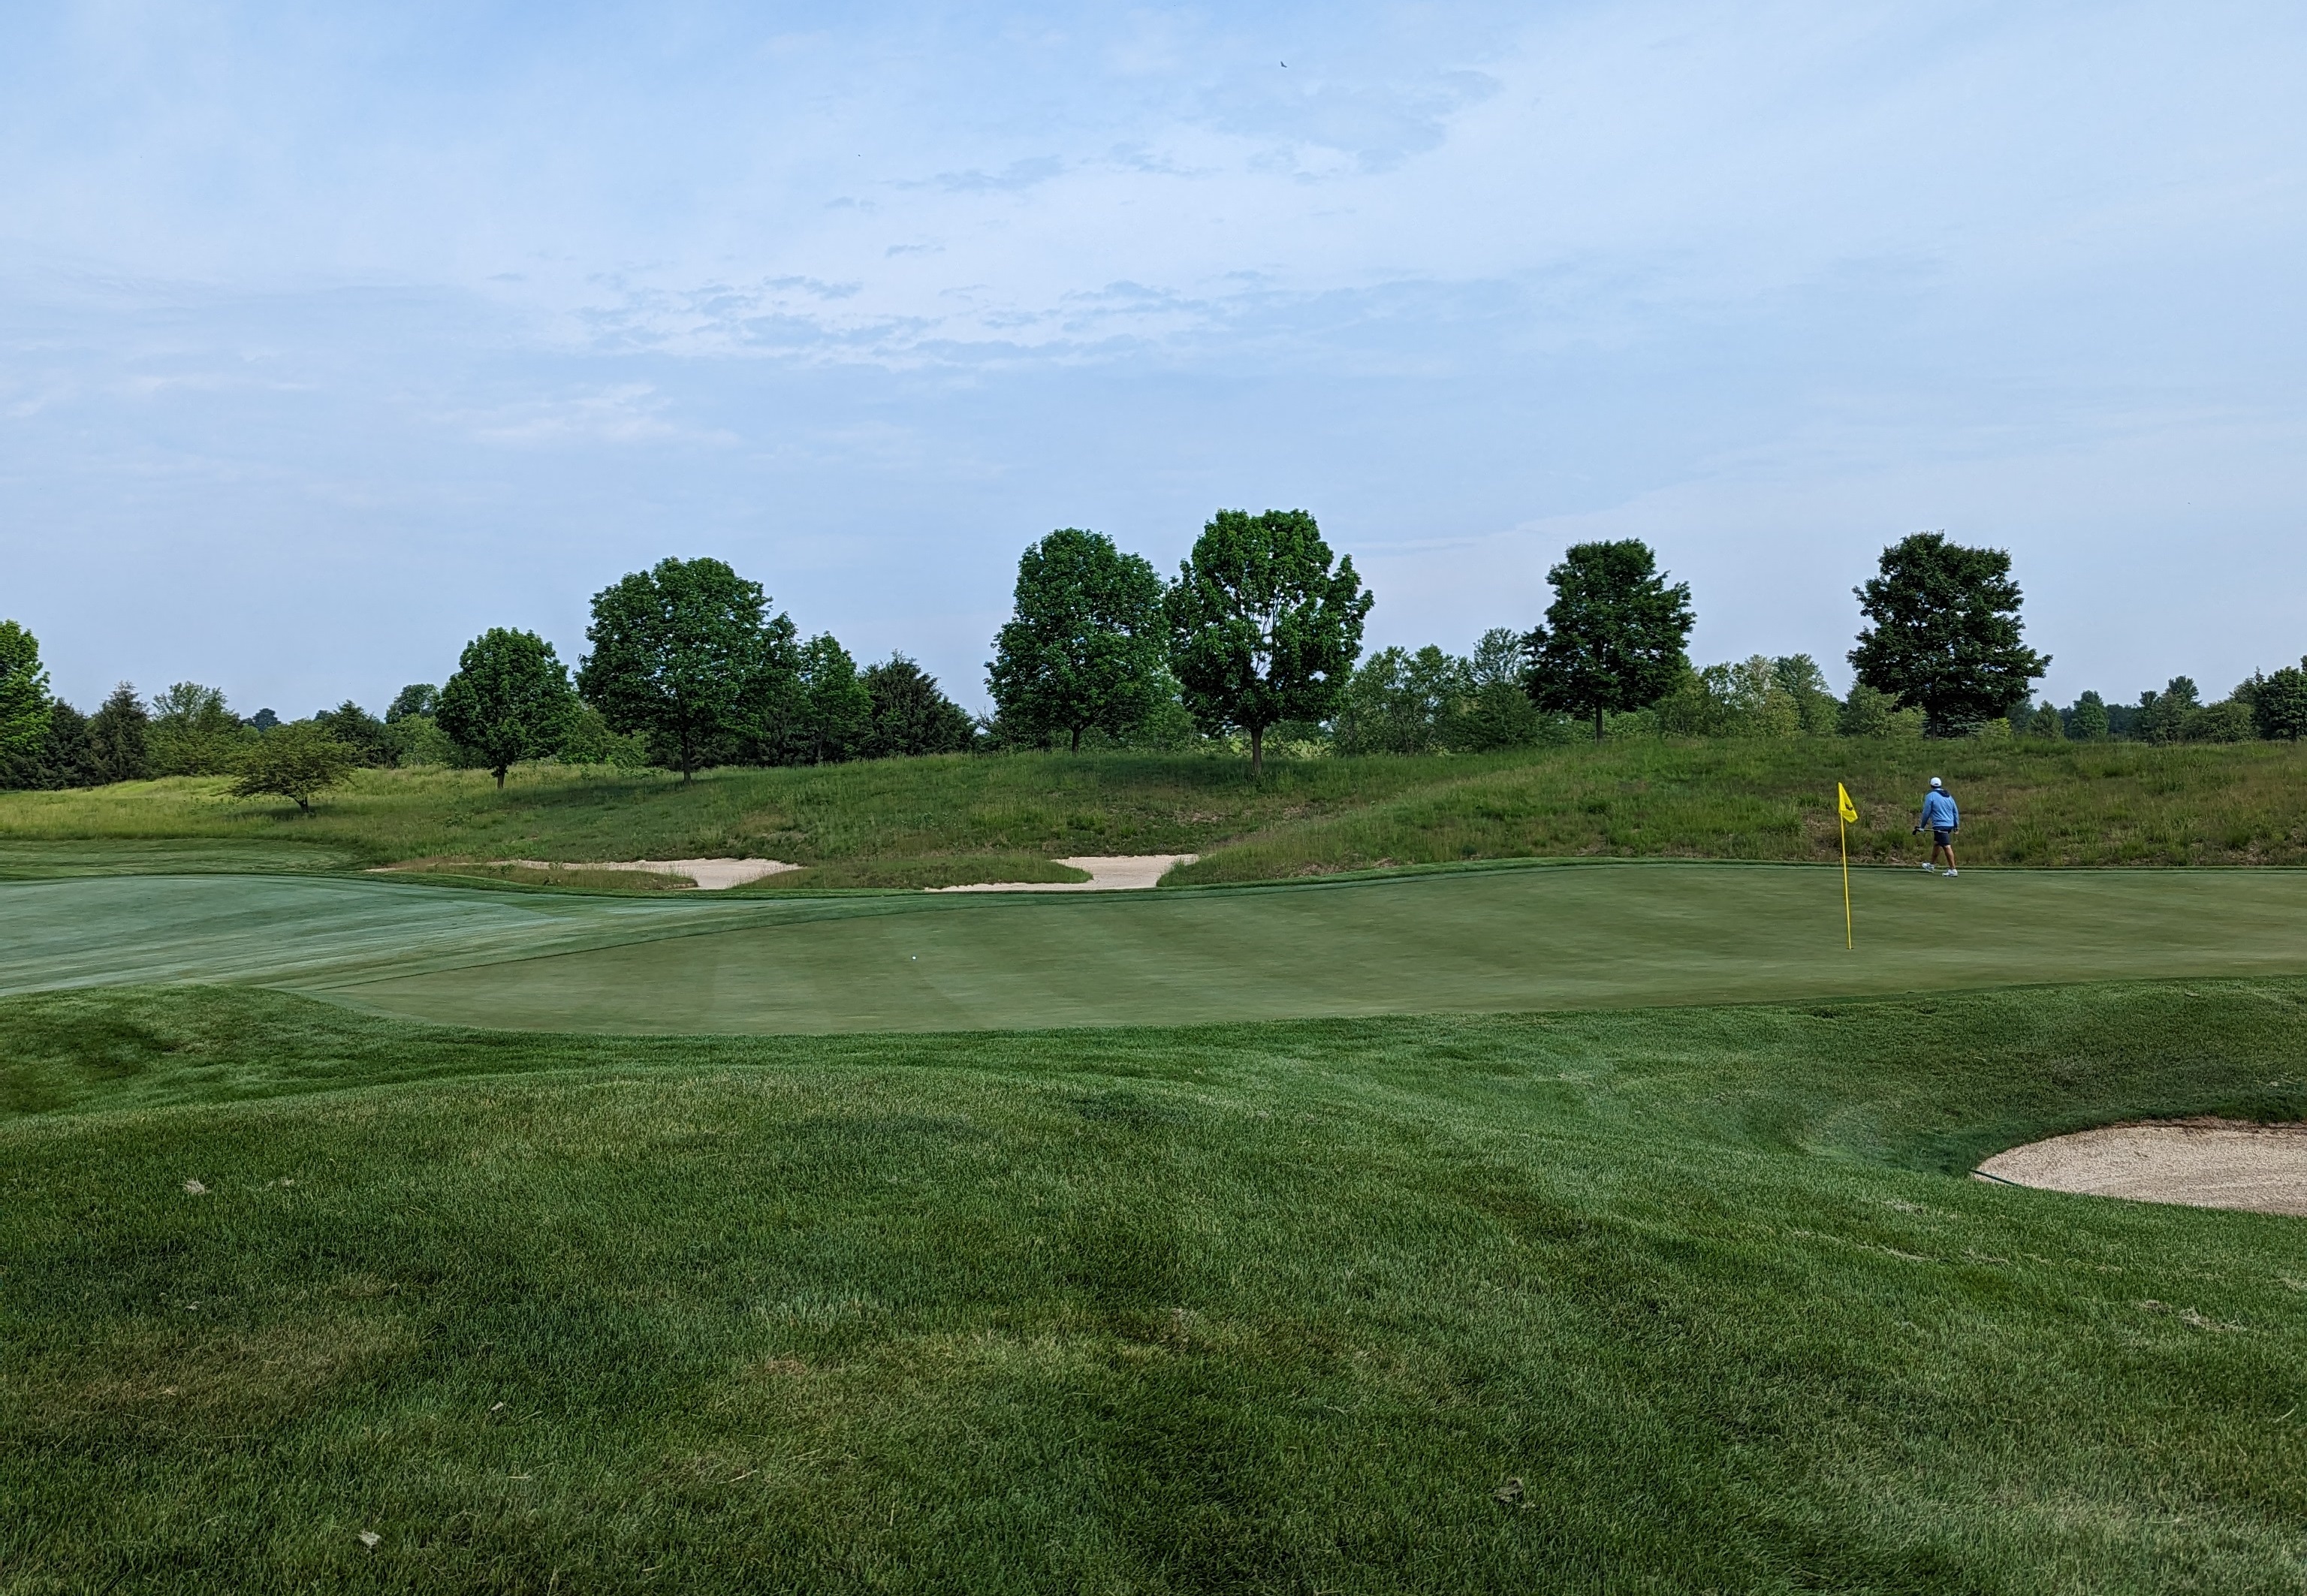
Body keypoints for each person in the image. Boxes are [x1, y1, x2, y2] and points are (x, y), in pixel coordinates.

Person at [1914, 776, 1959, 876]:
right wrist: (1956, 826)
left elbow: (1926, 813)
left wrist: (1922, 826)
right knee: (1937, 844)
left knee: (1946, 846)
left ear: (1931, 785)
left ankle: (1953, 870)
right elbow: (1955, 812)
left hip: (1940, 825)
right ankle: (1931, 865)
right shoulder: (1948, 796)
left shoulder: (1931, 796)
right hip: (1949, 825)